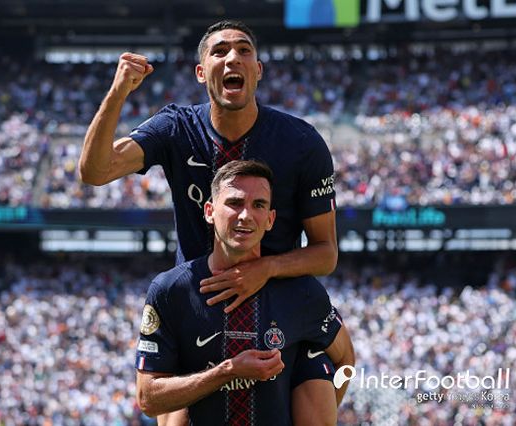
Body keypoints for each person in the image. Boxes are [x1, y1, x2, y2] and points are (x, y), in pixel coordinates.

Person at [80, 19, 341, 424]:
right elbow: (95, 172)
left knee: (323, 385)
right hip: (197, 305)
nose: (232, 57)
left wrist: (265, 269)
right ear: (202, 73)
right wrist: (117, 93)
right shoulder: (176, 127)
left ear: (258, 70)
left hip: (278, 305)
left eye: (243, 50)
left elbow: (325, 254)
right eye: (219, 51)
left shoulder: (302, 142)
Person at [135, 160, 354, 425]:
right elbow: (147, 399)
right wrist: (228, 371)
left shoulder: (302, 292)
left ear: (270, 219)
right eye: (234, 203)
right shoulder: (171, 291)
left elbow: (345, 359)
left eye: (258, 205)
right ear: (209, 211)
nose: (245, 215)